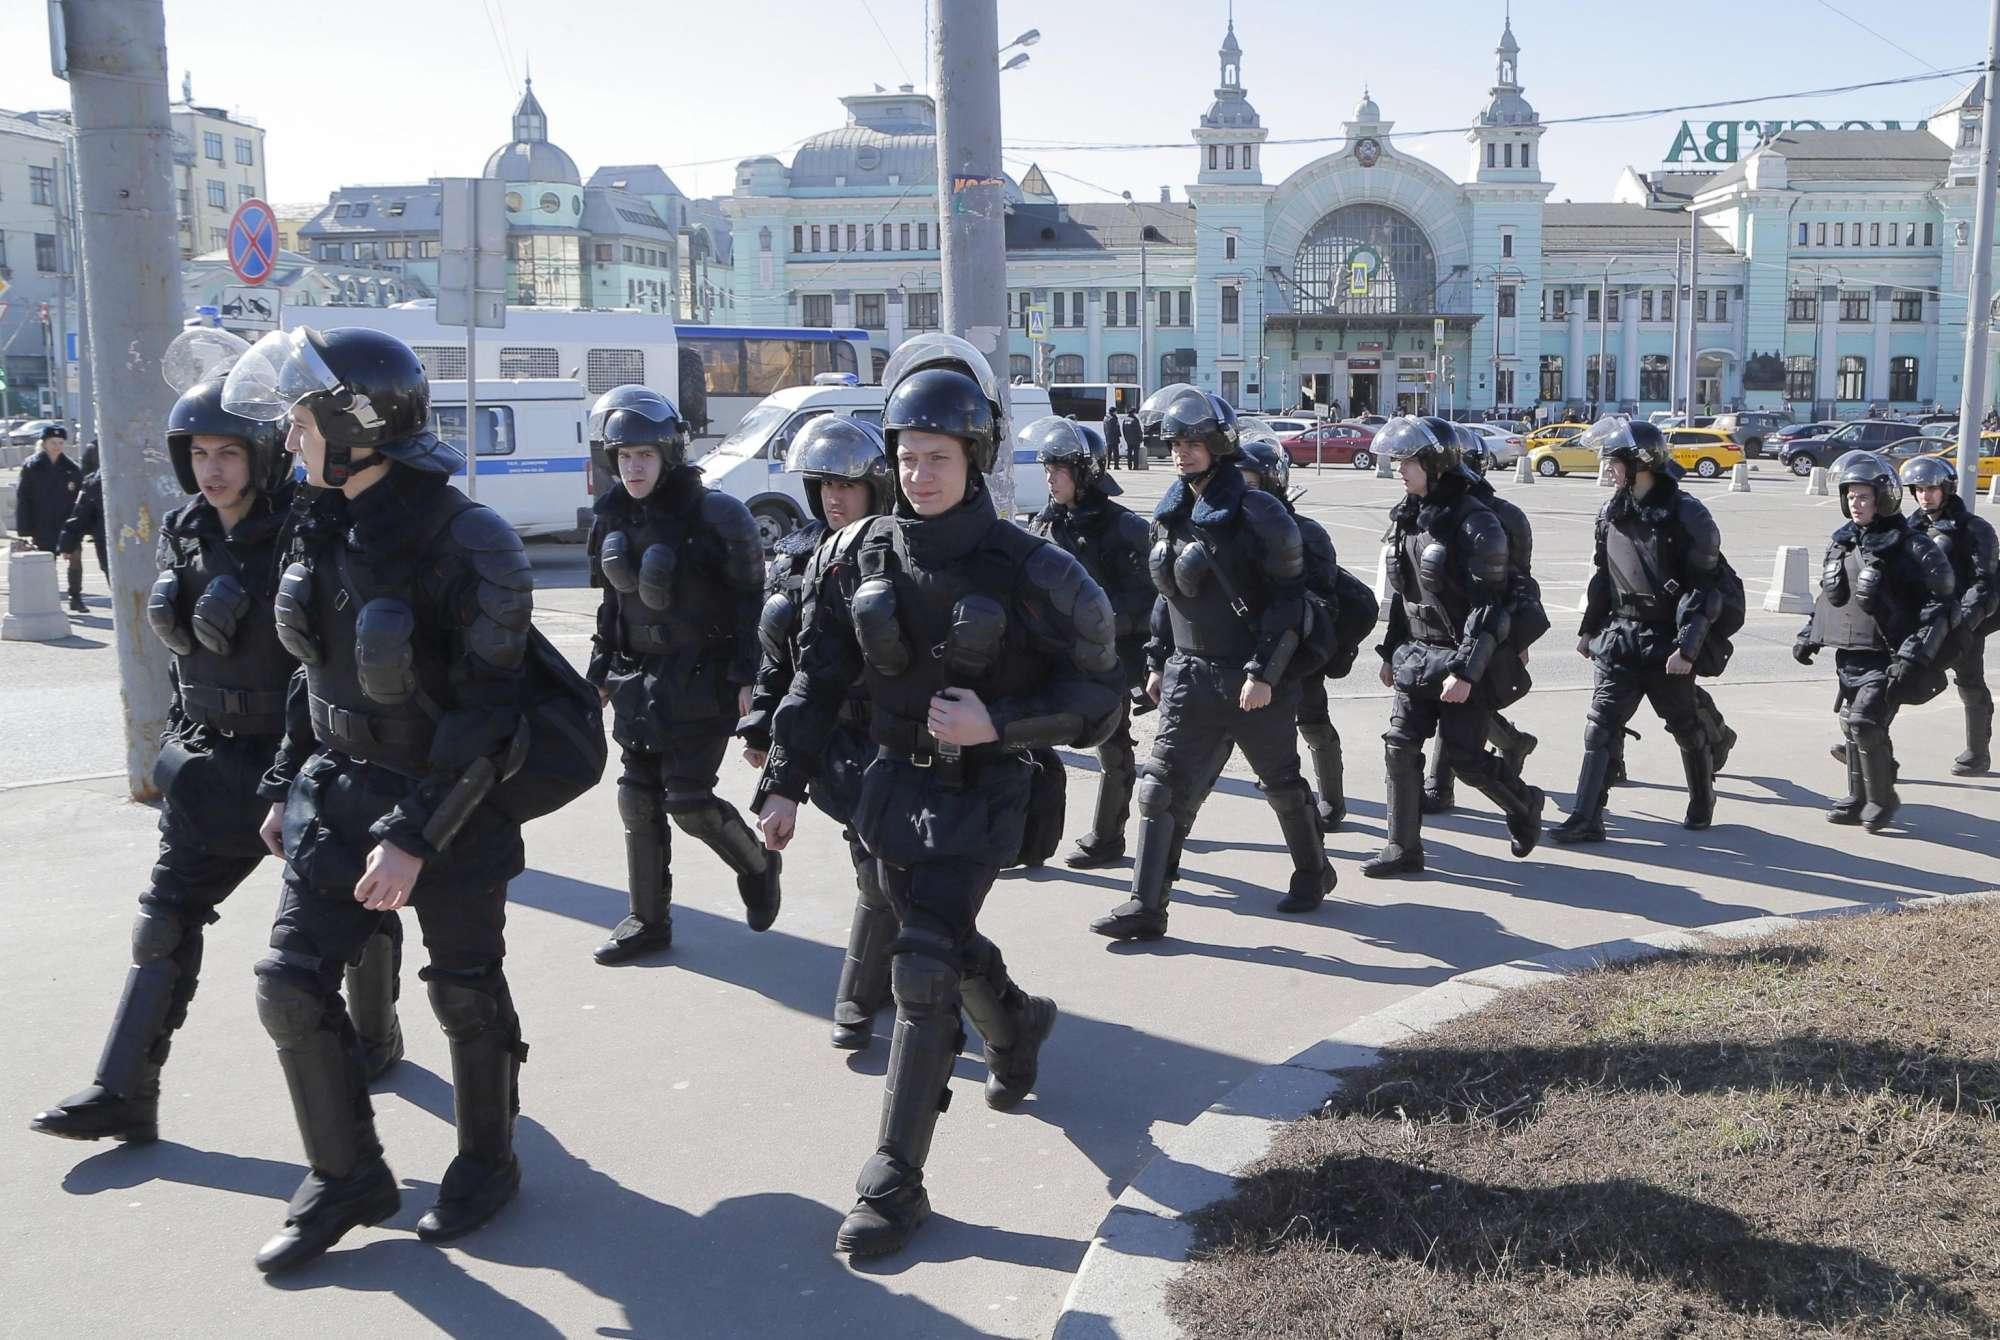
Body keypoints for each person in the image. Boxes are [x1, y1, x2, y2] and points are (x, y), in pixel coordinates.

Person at [754, 332, 1122, 1257]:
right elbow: (815, 676)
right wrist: (784, 782)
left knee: (920, 964)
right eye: (906, 458)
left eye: (938, 459)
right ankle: (1017, 1022)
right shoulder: (852, 555)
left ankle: (894, 1181)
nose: (918, 476)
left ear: (978, 459)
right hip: (885, 788)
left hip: (985, 790)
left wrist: (1000, 724)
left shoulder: (1032, 569)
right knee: (931, 932)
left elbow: (1101, 699)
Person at [222, 325, 538, 1271]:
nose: (287, 440)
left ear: (357, 426)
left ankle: (489, 1161)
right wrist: (284, 781)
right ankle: (347, 1174)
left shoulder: (467, 538)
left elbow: (492, 716)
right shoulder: (320, 518)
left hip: (450, 804)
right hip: (336, 789)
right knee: (288, 986)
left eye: (301, 421)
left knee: (465, 993)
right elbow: (310, 676)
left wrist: (412, 837)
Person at [30, 373, 401, 1147]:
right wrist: (178, 739)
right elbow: (180, 657)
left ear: (261, 454)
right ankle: (122, 1089)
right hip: (210, 763)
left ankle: (376, 1036)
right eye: (198, 452)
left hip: (301, 764)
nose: (212, 469)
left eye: (228, 451)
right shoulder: (186, 528)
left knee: (356, 917)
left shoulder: (306, 529)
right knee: (162, 925)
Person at [1090, 384, 1336, 941]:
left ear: (1219, 444)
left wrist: (1264, 674)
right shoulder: (1172, 511)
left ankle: (1314, 870)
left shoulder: (1259, 512)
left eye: (1194, 441)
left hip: (1252, 679)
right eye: (1175, 441)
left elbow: (1290, 604)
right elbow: (1167, 597)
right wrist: (1156, 660)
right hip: (1187, 675)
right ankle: (1146, 906)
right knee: (1159, 787)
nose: (1182, 451)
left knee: (1280, 783)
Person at [583, 385, 779, 964]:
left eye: (645, 455)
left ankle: (757, 862)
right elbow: (612, 606)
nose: (634, 467)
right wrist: (599, 670)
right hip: (637, 676)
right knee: (637, 797)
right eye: (624, 456)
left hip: (703, 674)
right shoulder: (612, 517)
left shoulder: (716, 514)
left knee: (688, 801)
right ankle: (647, 921)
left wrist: (751, 677)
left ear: (668, 455)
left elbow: (752, 602)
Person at [738, 413, 895, 1049]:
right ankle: (890, 982)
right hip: (825, 738)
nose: (834, 497)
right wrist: (760, 728)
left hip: (893, 736)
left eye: (847, 485)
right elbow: (780, 660)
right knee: (876, 863)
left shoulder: (899, 553)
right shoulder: (797, 556)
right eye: (824, 484)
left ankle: (863, 994)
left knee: (879, 864)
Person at [1366, 416, 1544, 877]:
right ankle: (1402, 848)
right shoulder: (1409, 514)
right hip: (1416, 654)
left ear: (1434, 462)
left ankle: (1524, 804)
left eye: (1407, 460)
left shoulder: (1477, 522)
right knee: (1399, 746)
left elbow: (1491, 608)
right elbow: (1404, 595)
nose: (1399, 468)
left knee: (1465, 758)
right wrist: (1389, 652)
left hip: (1464, 656)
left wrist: (1466, 672)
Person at [1549, 419, 1731, 844]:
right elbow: (1604, 576)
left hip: (1668, 641)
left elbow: (1705, 589)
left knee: (1685, 725)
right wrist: (1588, 629)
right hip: (1621, 637)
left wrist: (1687, 648)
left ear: (1639, 462)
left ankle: (1702, 799)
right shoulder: (1611, 511)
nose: (1607, 468)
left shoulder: (1688, 514)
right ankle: (1587, 816)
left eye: (1614, 460)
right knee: (1599, 727)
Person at [1793, 451, 1956, 832]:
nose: (1855, 503)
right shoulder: (1843, 542)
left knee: (1866, 722)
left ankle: (1882, 798)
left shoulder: (1910, 546)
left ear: (1883, 498)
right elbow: (1829, 595)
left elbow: (1941, 604)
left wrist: (1915, 654)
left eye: (1863, 496)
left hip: (1888, 655)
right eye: (1850, 496)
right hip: (1850, 654)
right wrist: (1808, 635)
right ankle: (1856, 795)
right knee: (1851, 724)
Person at [1025, 415, 1154, 866]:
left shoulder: (1125, 529)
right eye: (1046, 468)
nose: (1049, 478)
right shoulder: (1046, 523)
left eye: (1058, 469)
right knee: (1025, 742)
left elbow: (1148, 603)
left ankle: (1108, 837)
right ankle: (1027, 838)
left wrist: (1097, 624)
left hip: (1105, 657)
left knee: (1113, 745)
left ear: (1086, 473)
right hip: (1049, 657)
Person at [1421, 430, 1543, 815]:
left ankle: (1441, 786)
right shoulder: (1442, 514)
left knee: (1465, 699)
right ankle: (1511, 743)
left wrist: (1520, 641)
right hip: (1453, 623)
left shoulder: (1503, 517)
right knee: (1460, 702)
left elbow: (1520, 581)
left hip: (1494, 621)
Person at [1237, 437, 1351, 829]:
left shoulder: (1306, 533)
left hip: (1297, 648)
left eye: (1248, 484)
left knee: (1312, 719)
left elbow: (1319, 597)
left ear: (1271, 483)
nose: (1241, 493)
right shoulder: (1229, 531)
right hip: (1245, 645)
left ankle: (1331, 800)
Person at [1902, 455, 1997, 775]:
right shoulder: (1909, 526)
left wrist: (1962, 622)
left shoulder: (1974, 529)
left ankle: (1978, 752)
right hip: (1921, 617)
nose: (1924, 495)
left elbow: (1984, 583)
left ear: (1946, 488)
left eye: (1931, 488)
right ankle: (1867, 741)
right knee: (1895, 673)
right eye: (1918, 489)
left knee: (1969, 680)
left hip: (1964, 620)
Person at [14, 423, 86, 613]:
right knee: (47, 563)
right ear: (44, 443)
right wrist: (25, 530)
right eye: (53, 442)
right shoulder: (32, 466)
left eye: (61, 442)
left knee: (76, 559)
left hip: (68, 525)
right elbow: (24, 499)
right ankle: (50, 599)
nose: (57, 447)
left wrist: (82, 525)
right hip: (42, 525)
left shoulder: (72, 468)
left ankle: (75, 596)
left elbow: (81, 501)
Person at [57, 440, 109, 583]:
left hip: (109, 546)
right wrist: (68, 543)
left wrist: (67, 543)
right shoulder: (95, 482)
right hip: (109, 544)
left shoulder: (95, 482)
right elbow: (81, 514)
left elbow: (81, 514)